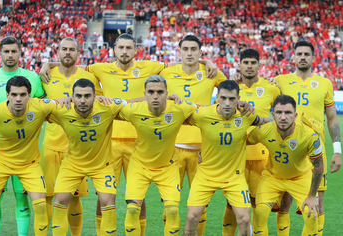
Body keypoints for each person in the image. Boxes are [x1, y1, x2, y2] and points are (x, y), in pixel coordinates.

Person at [39, 29, 218, 235]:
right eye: (121, 47)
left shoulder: (151, 67)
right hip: (110, 141)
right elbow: (70, 63)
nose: (124, 51)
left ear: (136, 50)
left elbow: (187, 61)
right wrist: (48, 64)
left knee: (137, 197)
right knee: (105, 196)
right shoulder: (100, 68)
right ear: (113, 49)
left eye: (128, 48)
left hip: (138, 141)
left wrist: (206, 62)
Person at [0, 36, 45, 236]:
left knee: (23, 198)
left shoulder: (33, 78)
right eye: (6, 51)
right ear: (0, 53)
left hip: (23, 150)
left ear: (20, 52)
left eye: (14, 51)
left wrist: (49, 64)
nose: (10, 55)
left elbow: (39, 109)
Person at [159, 35, 226, 235]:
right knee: (170, 205)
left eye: (193, 49)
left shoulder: (212, 73)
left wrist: (208, 63)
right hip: (173, 148)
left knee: (200, 204)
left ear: (200, 52)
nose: (189, 53)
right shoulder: (166, 72)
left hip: (203, 149)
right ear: (179, 51)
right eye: (185, 49)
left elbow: (232, 92)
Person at [183, 80, 269, 236]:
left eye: (231, 99)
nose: (227, 103)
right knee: (191, 217)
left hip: (234, 177)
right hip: (205, 175)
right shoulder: (202, 114)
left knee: (244, 219)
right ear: (217, 98)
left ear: (238, 99)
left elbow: (265, 122)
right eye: (223, 98)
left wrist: (289, 122)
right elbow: (176, 118)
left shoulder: (246, 115)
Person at [275, 41, 342, 236]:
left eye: (306, 54)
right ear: (293, 57)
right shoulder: (280, 81)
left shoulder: (325, 84)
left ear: (313, 58)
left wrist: (337, 150)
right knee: (285, 201)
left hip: (316, 151)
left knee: (318, 203)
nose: (302, 57)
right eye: (299, 54)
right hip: (288, 150)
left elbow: (332, 119)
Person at [119, 75, 197, 236]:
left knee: (173, 211)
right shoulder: (133, 110)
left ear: (167, 93)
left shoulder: (179, 108)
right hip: (139, 165)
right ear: (145, 93)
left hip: (167, 167)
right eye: (151, 92)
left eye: (160, 92)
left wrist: (235, 104)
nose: (155, 96)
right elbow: (108, 108)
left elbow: (207, 111)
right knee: (133, 210)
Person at [40, 37, 102, 235]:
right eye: (64, 49)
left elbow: (99, 101)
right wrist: (46, 65)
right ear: (57, 52)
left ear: (78, 53)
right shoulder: (46, 76)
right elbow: (37, 105)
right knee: (49, 196)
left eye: (72, 50)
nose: (67, 53)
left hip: (77, 150)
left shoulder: (88, 76)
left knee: (75, 197)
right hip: (51, 146)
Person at [48, 79, 123, 236]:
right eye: (79, 96)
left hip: (102, 166)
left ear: (95, 96)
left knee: (108, 201)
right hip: (72, 164)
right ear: (72, 97)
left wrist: (164, 98)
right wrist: (56, 100)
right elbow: (32, 105)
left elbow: (135, 103)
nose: (82, 100)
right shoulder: (61, 110)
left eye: (87, 96)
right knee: (59, 201)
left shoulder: (107, 108)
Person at [247, 95, 324, 236]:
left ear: (295, 115)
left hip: (300, 177)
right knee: (260, 213)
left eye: (288, 113)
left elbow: (319, 166)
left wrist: (312, 195)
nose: (283, 117)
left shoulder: (309, 135)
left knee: (312, 216)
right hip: (272, 177)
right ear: (273, 115)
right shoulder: (264, 130)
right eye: (279, 113)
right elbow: (240, 141)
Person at [222, 48, 280, 236]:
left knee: (258, 202)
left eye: (253, 62)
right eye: (245, 62)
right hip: (234, 154)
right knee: (231, 202)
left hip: (261, 156)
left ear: (259, 65)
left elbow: (281, 116)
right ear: (239, 65)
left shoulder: (271, 88)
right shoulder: (231, 87)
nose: (249, 66)